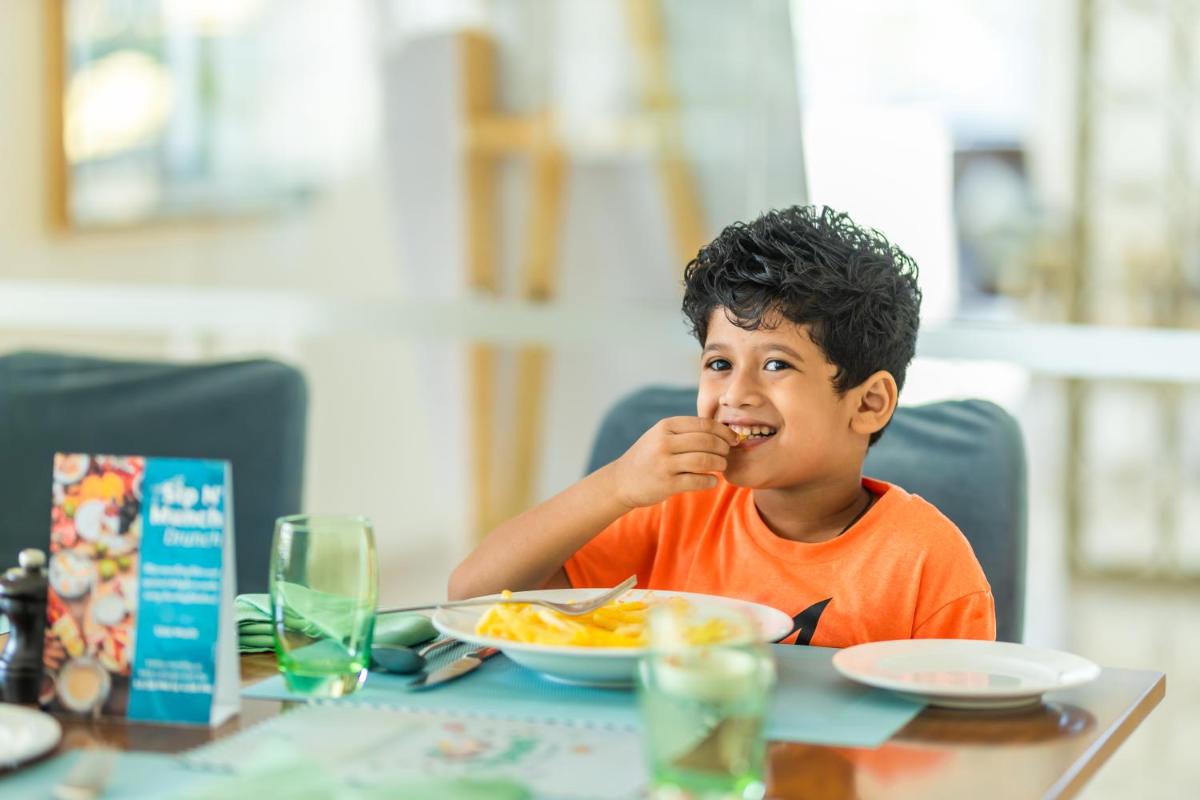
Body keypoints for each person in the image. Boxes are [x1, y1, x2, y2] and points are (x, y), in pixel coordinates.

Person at [449, 205, 995, 646]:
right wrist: (616, 486)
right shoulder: (676, 509)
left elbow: (958, 751)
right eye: (719, 364)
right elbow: (473, 594)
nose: (735, 394)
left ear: (869, 402)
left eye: (777, 364)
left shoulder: (929, 563)